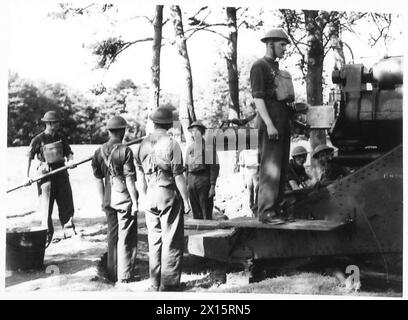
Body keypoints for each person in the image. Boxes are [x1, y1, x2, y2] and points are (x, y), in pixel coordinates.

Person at [134, 106, 191, 292]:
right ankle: (169, 284)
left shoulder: (142, 144)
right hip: (167, 193)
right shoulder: (171, 143)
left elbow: (140, 176)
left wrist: (143, 197)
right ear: (168, 124)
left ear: (154, 122)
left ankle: (154, 281)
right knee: (172, 239)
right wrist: (186, 200)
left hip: (150, 195)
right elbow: (179, 176)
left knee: (154, 239)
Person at [250, 28, 293, 223]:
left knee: (282, 167)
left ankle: (277, 208)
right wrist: (269, 125)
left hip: (282, 120)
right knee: (270, 168)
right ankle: (266, 212)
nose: (285, 49)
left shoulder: (277, 69)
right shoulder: (259, 66)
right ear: (270, 44)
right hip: (271, 122)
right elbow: (258, 99)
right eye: (282, 45)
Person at [91, 116, 139, 283]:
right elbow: (130, 180)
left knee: (112, 236)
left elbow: (97, 178)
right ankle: (124, 275)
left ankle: (112, 274)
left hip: (108, 198)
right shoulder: (125, 150)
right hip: (123, 196)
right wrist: (135, 201)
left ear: (109, 131)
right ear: (122, 131)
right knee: (127, 236)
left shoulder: (98, 151)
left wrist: (102, 199)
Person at [27, 110, 76, 244]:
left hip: (61, 172)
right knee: (46, 206)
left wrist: (71, 161)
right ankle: (47, 234)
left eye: (58, 122)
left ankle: (69, 230)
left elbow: (69, 152)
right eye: (55, 122)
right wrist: (28, 176)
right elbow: (29, 158)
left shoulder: (61, 137)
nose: (58, 124)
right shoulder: (38, 139)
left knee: (66, 202)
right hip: (45, 175)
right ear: (48, 123)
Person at [185, 121, 220, 220]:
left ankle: (207, 230)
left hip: (204, 179)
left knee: (205, 208)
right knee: (195, 208)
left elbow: (214, 167)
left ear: (202, 132)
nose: (194, 133)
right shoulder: (190, 148)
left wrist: (212, 186)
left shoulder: (208, 147)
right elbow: (186, 167)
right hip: (192, 180)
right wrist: (186, 184)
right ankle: (198, 231)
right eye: (192, 131)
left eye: (196, 131)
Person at [238, 148, 260, 216]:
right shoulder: (243, 152)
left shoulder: (258, 151)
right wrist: (243, 178)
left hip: (257, 173)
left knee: (257, 191)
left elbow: (261, 164)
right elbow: (242, 166)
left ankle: (256, 210)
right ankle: (251, 209)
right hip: (248, 173)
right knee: (250, 192)